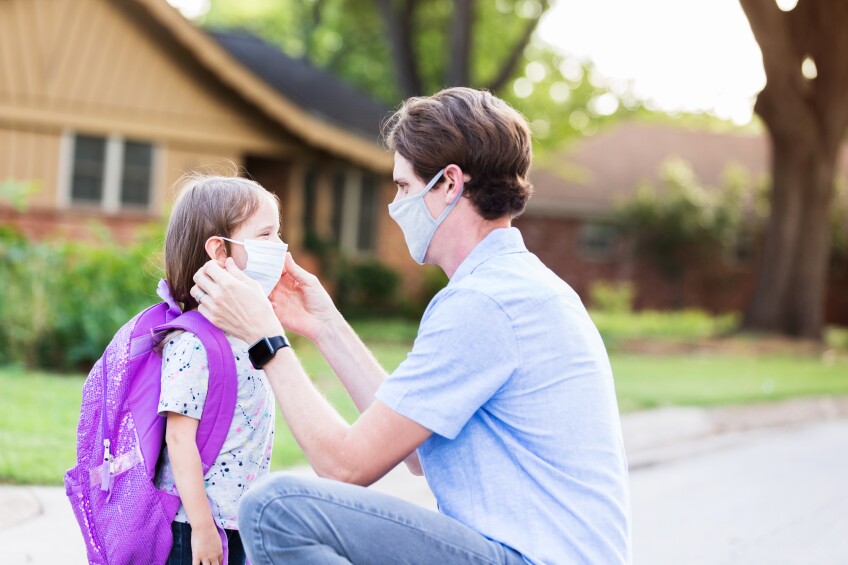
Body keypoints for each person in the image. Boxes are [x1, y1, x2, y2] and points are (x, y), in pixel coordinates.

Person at [191, 88, 632, 564]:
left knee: (273, 509)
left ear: (448, 184)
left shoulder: (483, 303)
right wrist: (325, 325)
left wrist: (265, 339)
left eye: (403, 187)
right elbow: (416, 454)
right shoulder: (514, 285)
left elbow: (344, 466)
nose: (393, 206)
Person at [155, 174, 287, 565]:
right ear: (219, 251)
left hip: (237, 520)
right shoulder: (194, 342)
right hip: (196, 526)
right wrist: (202, 528)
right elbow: (179, 442)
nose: (279, 247)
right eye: (266, 235)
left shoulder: (248, 333)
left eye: (279, 234)